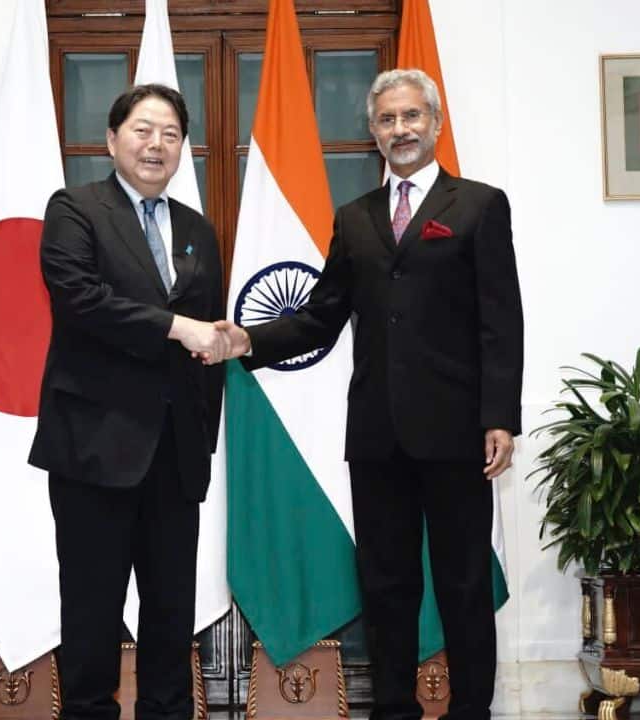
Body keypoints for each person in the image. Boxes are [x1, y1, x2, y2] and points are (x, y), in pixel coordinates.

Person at [216, 68, 523, 720]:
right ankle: (393, 711)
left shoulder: (479, 205)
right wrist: (250, 340)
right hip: (377, 437)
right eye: (387, 120)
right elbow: (321, 316)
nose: (400, 129)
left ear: (434, 125)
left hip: (458, 433)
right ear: (373, 132)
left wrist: (500, 416)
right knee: (387, 587)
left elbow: (502, 321)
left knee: (463, 585)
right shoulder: (354, 220)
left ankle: (473, 711)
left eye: (411, 116)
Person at [28, 83, 226, 720]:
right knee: (91, 609)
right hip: (94, 448)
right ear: (112, 139)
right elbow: (80, 301)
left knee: (171, 612)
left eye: (170, 134)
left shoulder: (197, 229)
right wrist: (174, 328)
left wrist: (204, 434)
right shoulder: (75, 209)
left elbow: (210, 341)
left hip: (175, 453)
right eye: (143, 130)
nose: (156, 144)